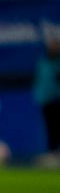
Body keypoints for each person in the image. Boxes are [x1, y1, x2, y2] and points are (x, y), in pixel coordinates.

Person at [33, 35, 60, 168]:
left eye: (56, 46)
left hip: (57, 99)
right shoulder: (43, 63)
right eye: (51, 45)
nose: (53, 48)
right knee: (50, 127)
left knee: (56, 127)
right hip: (45, 100)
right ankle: (52, 154)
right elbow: (39, 80)